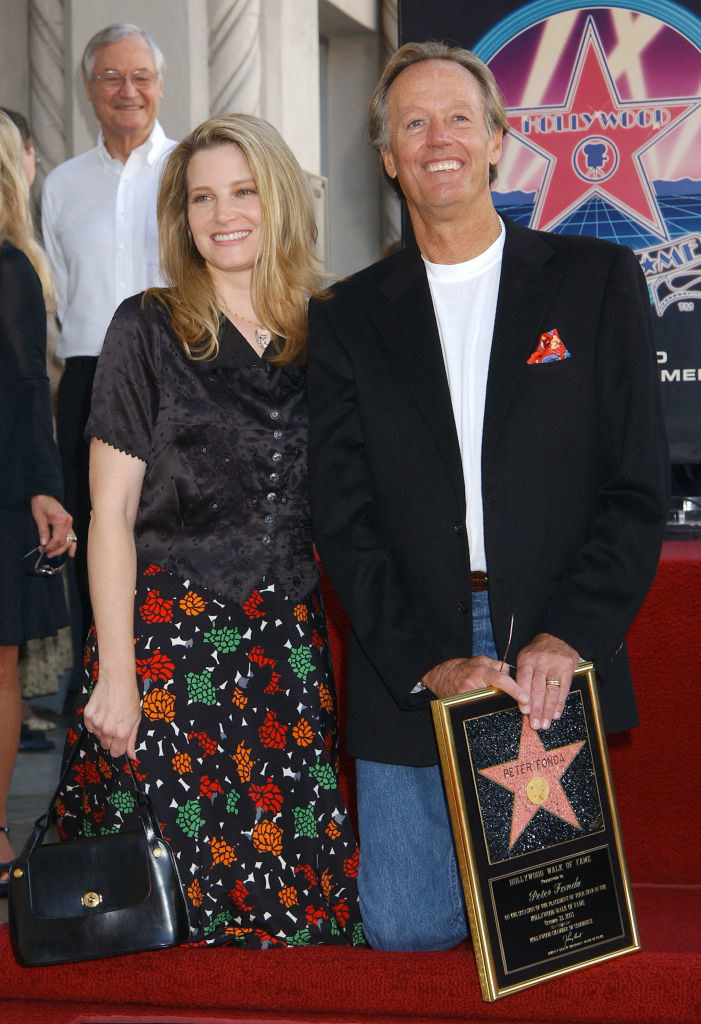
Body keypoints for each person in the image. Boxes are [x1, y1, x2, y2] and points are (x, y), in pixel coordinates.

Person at [306, 41, 669, 951]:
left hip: (545, 650)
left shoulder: (595, 284)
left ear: (499, 141)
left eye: (458, 118)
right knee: (405, 927)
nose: (439, 140)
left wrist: (568, 635)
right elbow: (342, 518)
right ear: (388, 156)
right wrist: (431, 661)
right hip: (414, 651)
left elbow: (635, 489)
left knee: (549, 934)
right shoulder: (346, 316)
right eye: (413, 124)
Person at [57, 114, 365, 949]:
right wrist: (114, 676)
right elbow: (110, 513)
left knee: (301, 916)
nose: (223, 214)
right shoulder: (147, 328)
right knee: (160, 919)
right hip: (166, 651)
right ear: (181, 216)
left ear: (280, 201)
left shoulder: (331, 329)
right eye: (202, 197)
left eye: (243, 191)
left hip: (284, 655)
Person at [41, 23, 175, 700]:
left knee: (170, 536)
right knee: (95, 539)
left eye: (141, 77)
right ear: (90, 90)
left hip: (179, 374)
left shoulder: (191, 171)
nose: (129, 91)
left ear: (160, 85)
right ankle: (94, 714)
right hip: (90, 380)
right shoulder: (61, 186)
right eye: (112, 78)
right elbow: (59, 294)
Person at [0, 111, 76, 894]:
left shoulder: (11, 265)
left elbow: (27, 391)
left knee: (0, 674)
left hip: (2, 493)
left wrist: (44, 490)